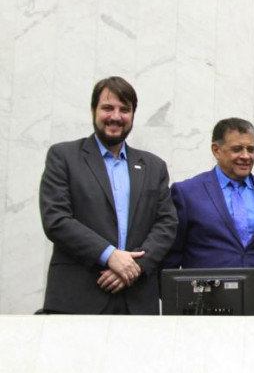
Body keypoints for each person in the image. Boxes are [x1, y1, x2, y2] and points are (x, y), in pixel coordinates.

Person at [39, 77, 177, 314]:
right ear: (93, 110)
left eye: (125, 109)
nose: (116, 116)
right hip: (78, 299)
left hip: (137, 299)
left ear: (133, 115)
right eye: (107, 108)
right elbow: (56, 219)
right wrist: (109, 255)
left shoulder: (154, 166)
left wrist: (134, 267)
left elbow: (166, 223)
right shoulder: (63, 156)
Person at [164, 118, 254, 314]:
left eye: (251, 149)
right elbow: (170, 260)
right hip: (203, 313)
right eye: (237, 149)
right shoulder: (187, 193)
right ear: (216, 150)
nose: (246, 156)